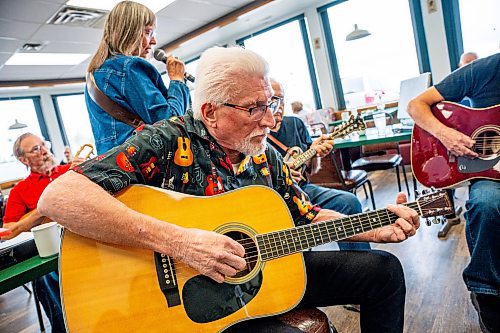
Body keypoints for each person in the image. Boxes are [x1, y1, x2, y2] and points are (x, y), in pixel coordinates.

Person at [39, 46, 419, 332]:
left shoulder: (262, 155)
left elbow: (309, 213)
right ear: (210, 112)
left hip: (259, 276)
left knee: (383, 271)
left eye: (270, 104)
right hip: (179, 301)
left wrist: (373, 226)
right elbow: (58, 198)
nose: (270, 120)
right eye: (254, 108)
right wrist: (179, 242)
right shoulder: (166, 141)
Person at [408, 52, 500, 333]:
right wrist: (445, 134)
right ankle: (487, 293)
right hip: (486, 169)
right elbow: (416, 105)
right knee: (486, 203)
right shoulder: (485, 69)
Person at [269, 78, 370, 251]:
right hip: (273, 196)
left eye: (282, 99)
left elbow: (312, 169)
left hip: (301, 190)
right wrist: (281, 174)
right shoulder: (255, 131)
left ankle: (360, 262)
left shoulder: (295, 124)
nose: (279, 105)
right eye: (273, 99)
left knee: (349, 202)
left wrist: (316, 154)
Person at [2, 133, 83, 333]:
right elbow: (8, 230)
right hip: (53, 253)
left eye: (43, 145)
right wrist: (43, 209)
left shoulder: (70, 170)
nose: (45, 151)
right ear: (23, 160)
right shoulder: (20, 191)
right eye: (36, 149)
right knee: (47, 274)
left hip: (84, 239)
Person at [86, 0, 190, 154]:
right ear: (129, 32)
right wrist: (177, 80)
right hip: (144, 167)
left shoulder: (94, 74)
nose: (153, 41)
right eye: (148, 32)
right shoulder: (129, 67)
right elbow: (171, 123)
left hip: (117, 167)